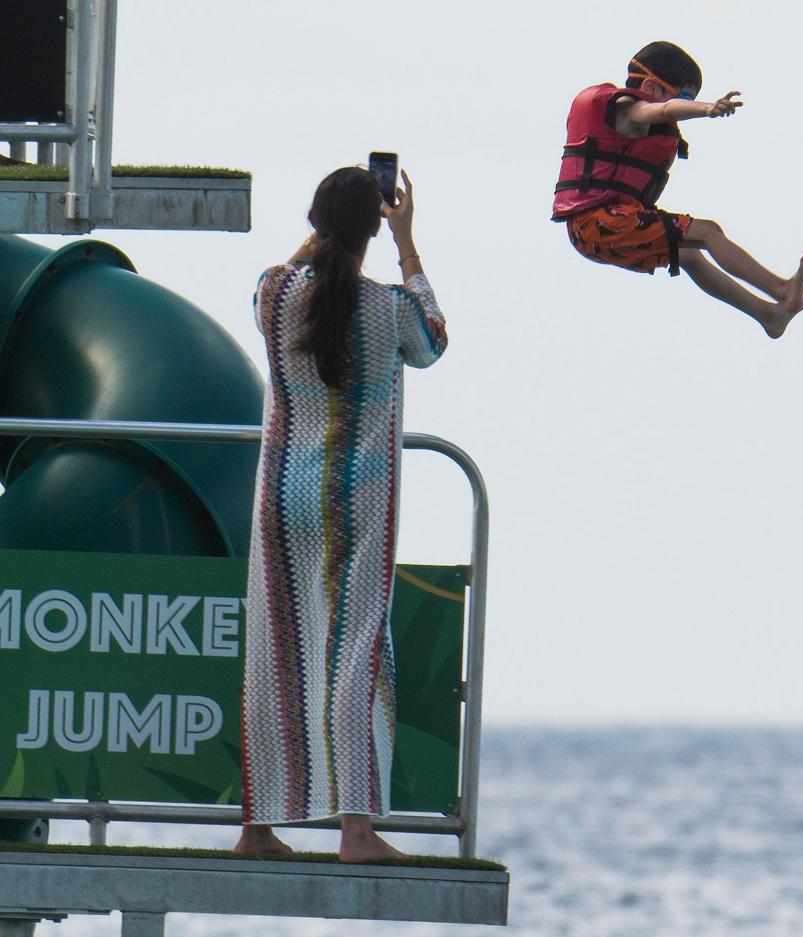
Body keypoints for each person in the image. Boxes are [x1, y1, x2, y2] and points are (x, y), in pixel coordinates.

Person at [234, 166, 447, 863]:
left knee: (275, 654)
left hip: (282, 495)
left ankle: (257, 827)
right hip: (357, 500)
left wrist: (323, 235)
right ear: (374, 226)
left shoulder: (276, 292)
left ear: (314, 221)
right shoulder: (387, 306)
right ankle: (356, 830)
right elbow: (435, 338)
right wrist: (408, 244)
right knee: (355, 657)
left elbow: (283, 273)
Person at [552, 41, 803, 339]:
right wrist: (707, 108)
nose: (684, 106)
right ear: (652, 86)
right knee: (708, 232)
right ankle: (780, 288)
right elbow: (664, 109)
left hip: (595, 231)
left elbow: (666, 107)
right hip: (599, 222)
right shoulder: (628, 110)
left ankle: (769, 316)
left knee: (689, 255)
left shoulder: (629, 118)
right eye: (685, 97)